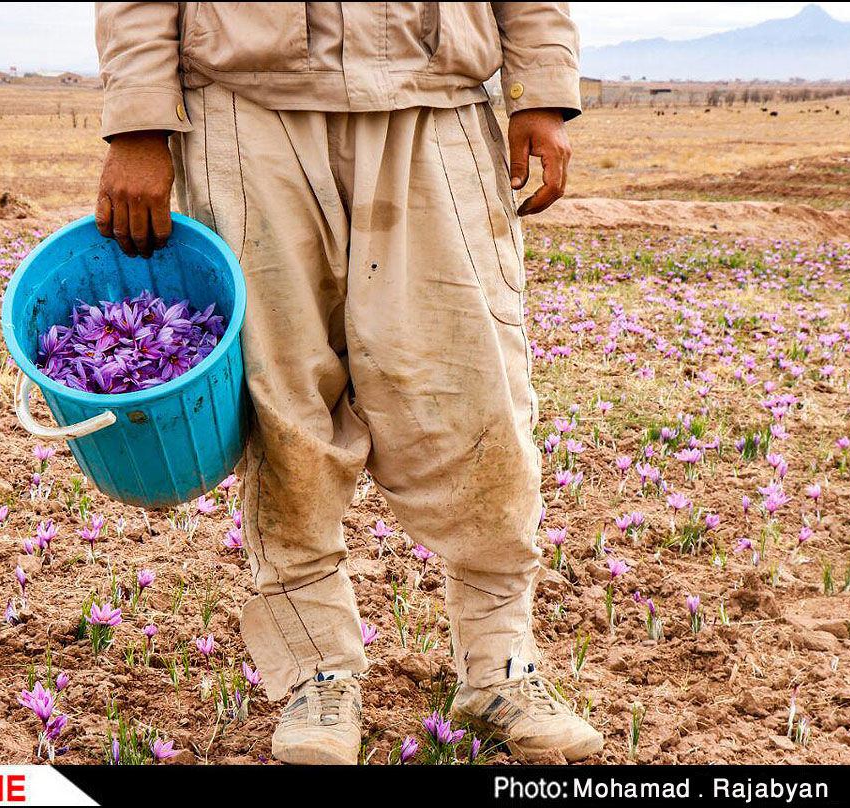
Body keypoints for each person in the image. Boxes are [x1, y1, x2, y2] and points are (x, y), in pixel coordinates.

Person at [94, 2, 603, 765]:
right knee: (281, 402)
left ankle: (501, 663)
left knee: (477, 395)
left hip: (435, 102)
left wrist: (539, 91)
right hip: (246, 111)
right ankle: (317, 669)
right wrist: (137, 122)